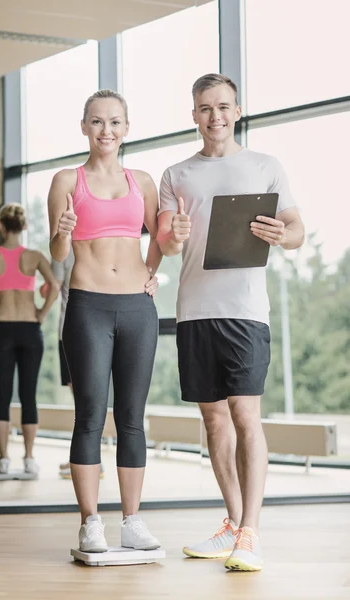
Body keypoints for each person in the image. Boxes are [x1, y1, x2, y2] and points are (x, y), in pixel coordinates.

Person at [157, 73, 305, 571]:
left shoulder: (265, 166)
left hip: (245, 312)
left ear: (237, 110)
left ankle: (252, 533)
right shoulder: (176, 174)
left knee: (245, 414)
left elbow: (298, 229)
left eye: (223, 106)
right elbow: (166, 244)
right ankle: (234, 524)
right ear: (194, 114)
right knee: (213, 419)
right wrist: (173, 234)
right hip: (195, 310)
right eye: (204, 108)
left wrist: (283, 235)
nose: (214, 116)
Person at [48, 89, 162, 553]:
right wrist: (62, 232)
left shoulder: (144, 181)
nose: (106, 130)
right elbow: (57, 255)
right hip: (88, 305)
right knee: (90, 417)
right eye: (97, 122)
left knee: (132, 419)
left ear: (127, 128)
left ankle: (132, 521)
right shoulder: (64, 180)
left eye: (115, 122)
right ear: (83, 127)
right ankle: (90, 521)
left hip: (137, 306)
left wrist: (153, 272)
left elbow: (162, 237)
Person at [0, 203, 60, 479]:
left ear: (1, 226)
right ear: (24, 226)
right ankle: (28, 459)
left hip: (1, 329)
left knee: (2, 396)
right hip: (29, 329)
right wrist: (41, 314)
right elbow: (56, 286)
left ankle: (3, 460)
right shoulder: (34, 257)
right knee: (29, 396)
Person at [40, 251, 104, 480]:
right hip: (100, 331)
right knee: (89, 399)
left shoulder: (63, 250)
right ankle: (91, 458)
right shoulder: (96, 245)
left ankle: (90, 459)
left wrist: (41, 313)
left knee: (83, 401)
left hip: (70, 330)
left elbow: (55, 286)